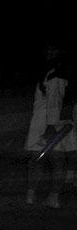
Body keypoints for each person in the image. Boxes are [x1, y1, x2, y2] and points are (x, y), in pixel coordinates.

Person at [25, 45, 74, 209]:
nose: (50, 53)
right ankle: (36, 197)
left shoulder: (57, 74)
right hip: (44, 122)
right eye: (48, 50)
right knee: (43, 160)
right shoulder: (50, 72)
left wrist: (51, 127)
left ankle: (48, 198)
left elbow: (55, 101)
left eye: (54, 50)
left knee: (51, 161)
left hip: (47, 124)